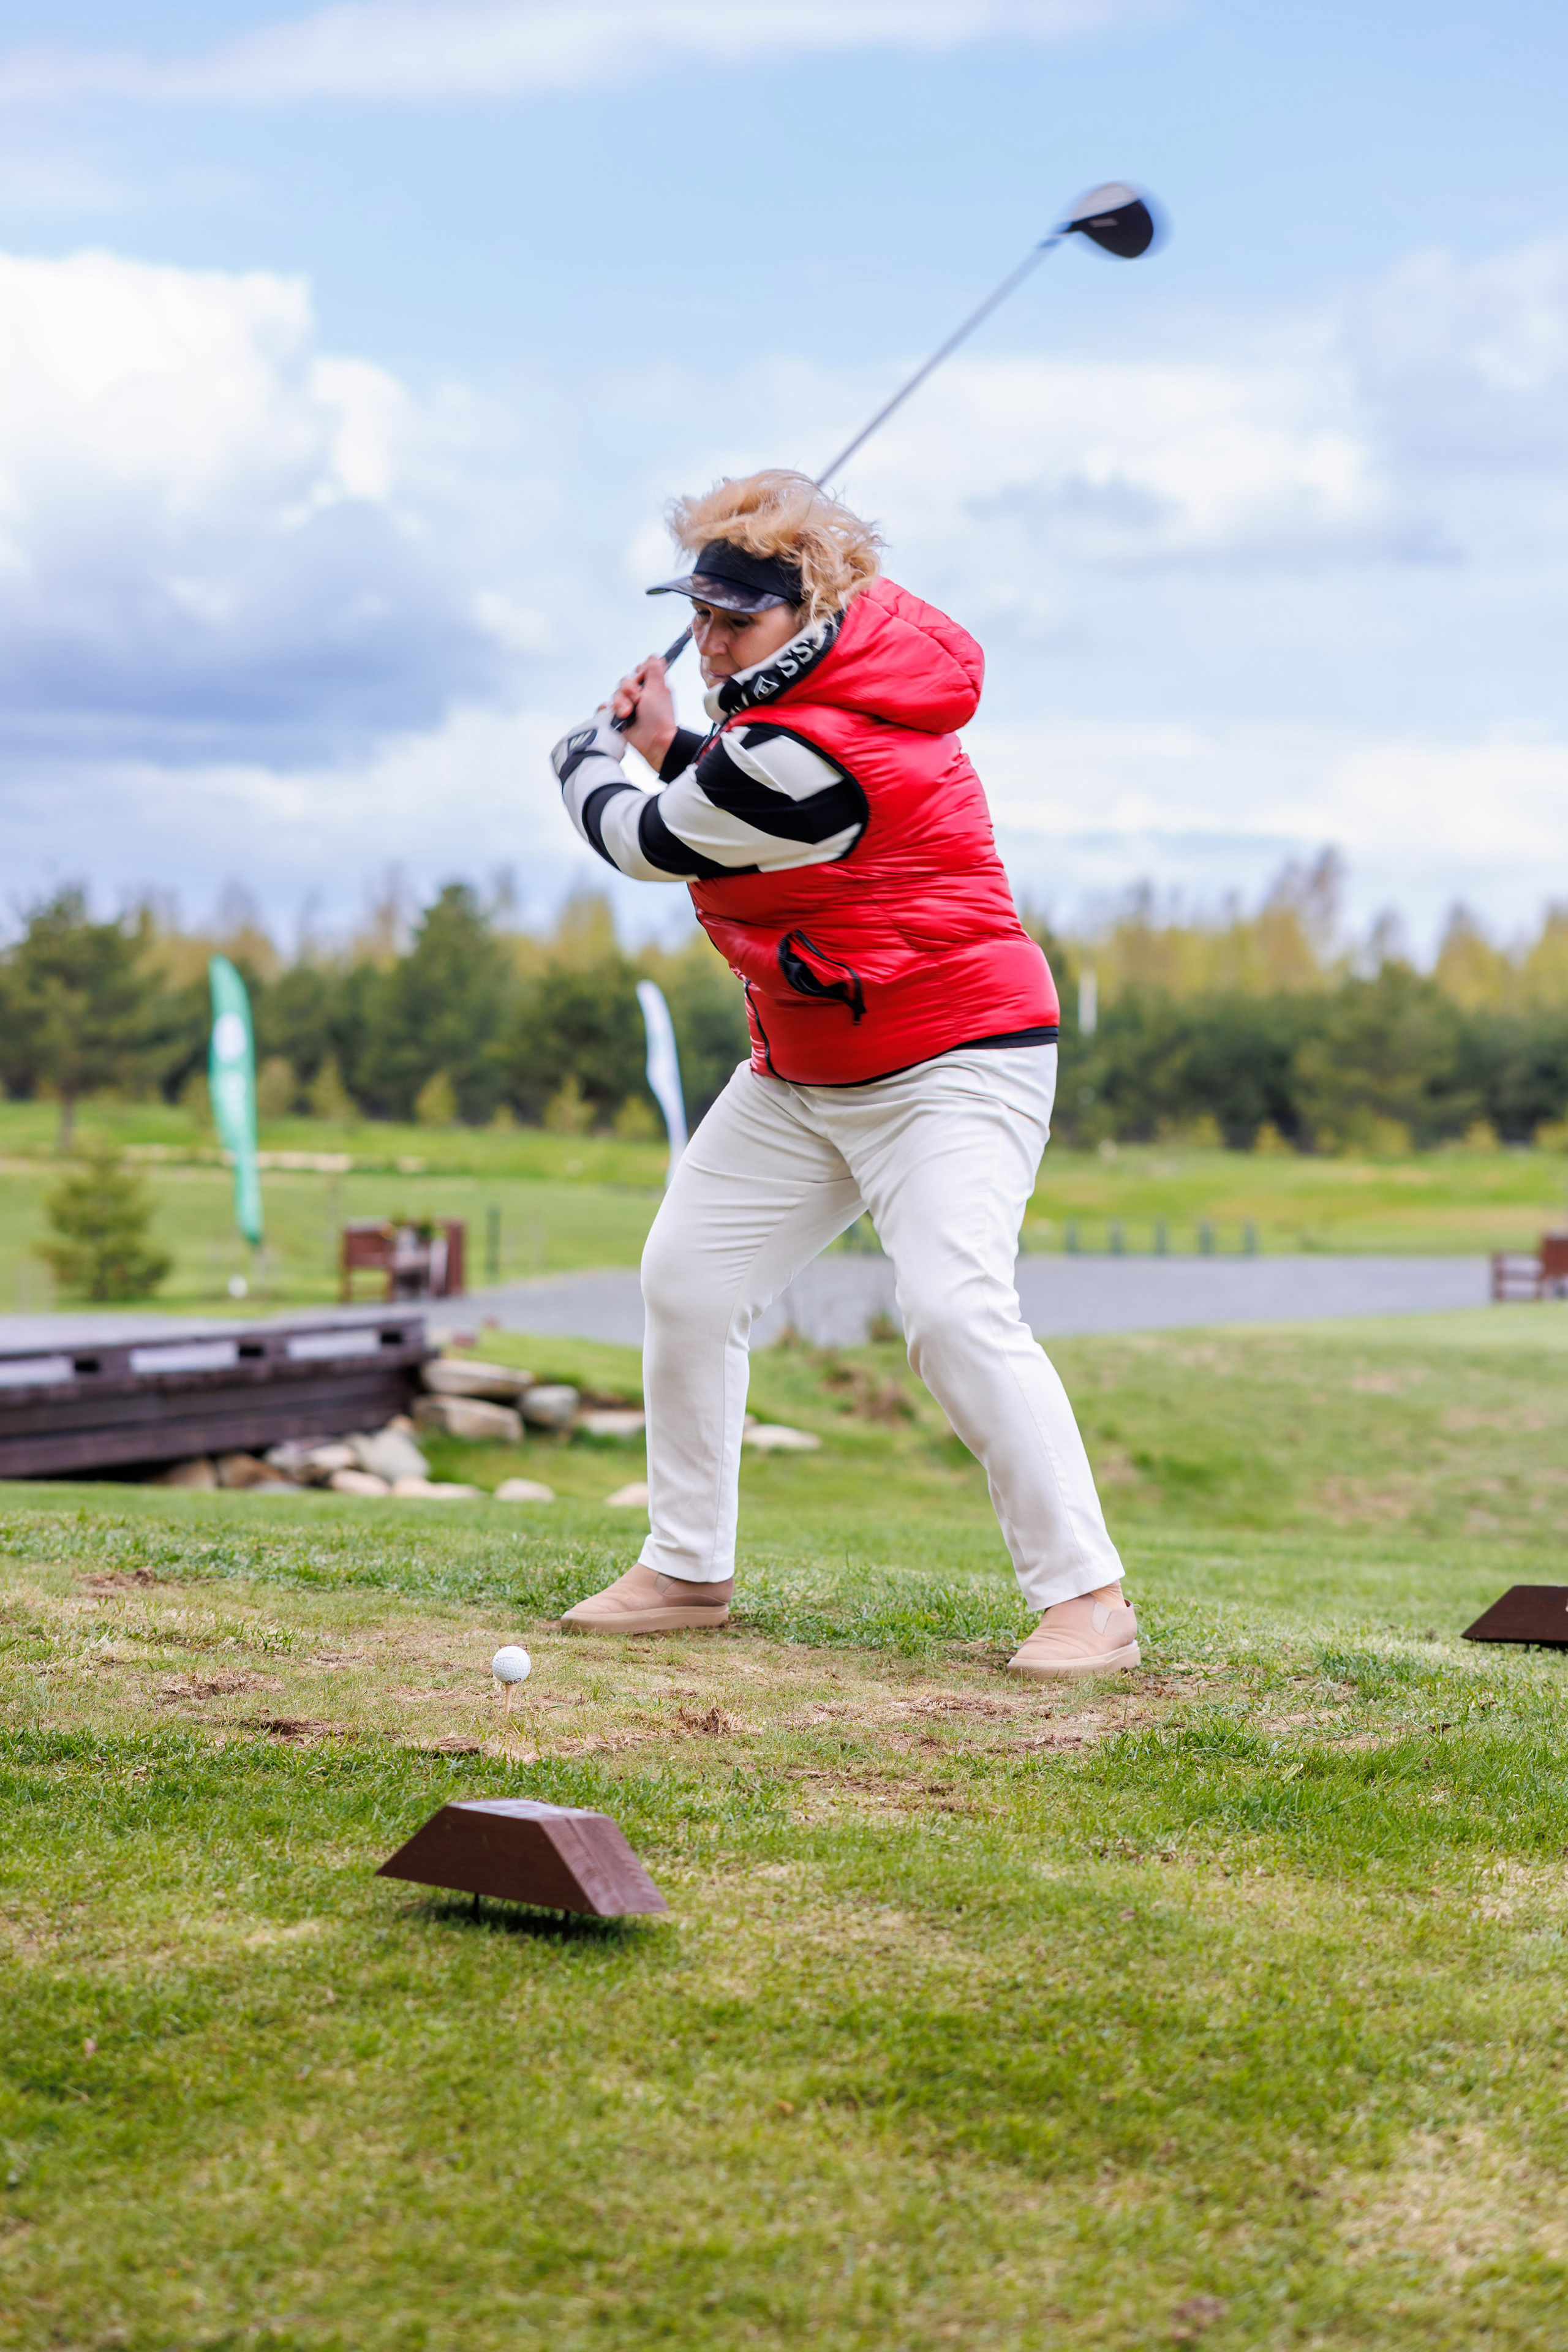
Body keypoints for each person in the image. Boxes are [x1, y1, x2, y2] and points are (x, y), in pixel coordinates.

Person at [549, 469, 1137, 1679]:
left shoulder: (823, 750)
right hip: (807, 1065)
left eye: (735, 622)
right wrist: (671, 744)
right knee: (691, 1282)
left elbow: (651, 839)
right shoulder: (794, 721)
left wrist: (583, 758)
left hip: (953, 1062)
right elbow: (740, 782)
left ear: (805, 621)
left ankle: (1088, 1603)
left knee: (951, 1311)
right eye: (698, 617)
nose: (708, 643)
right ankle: (685, 1569)